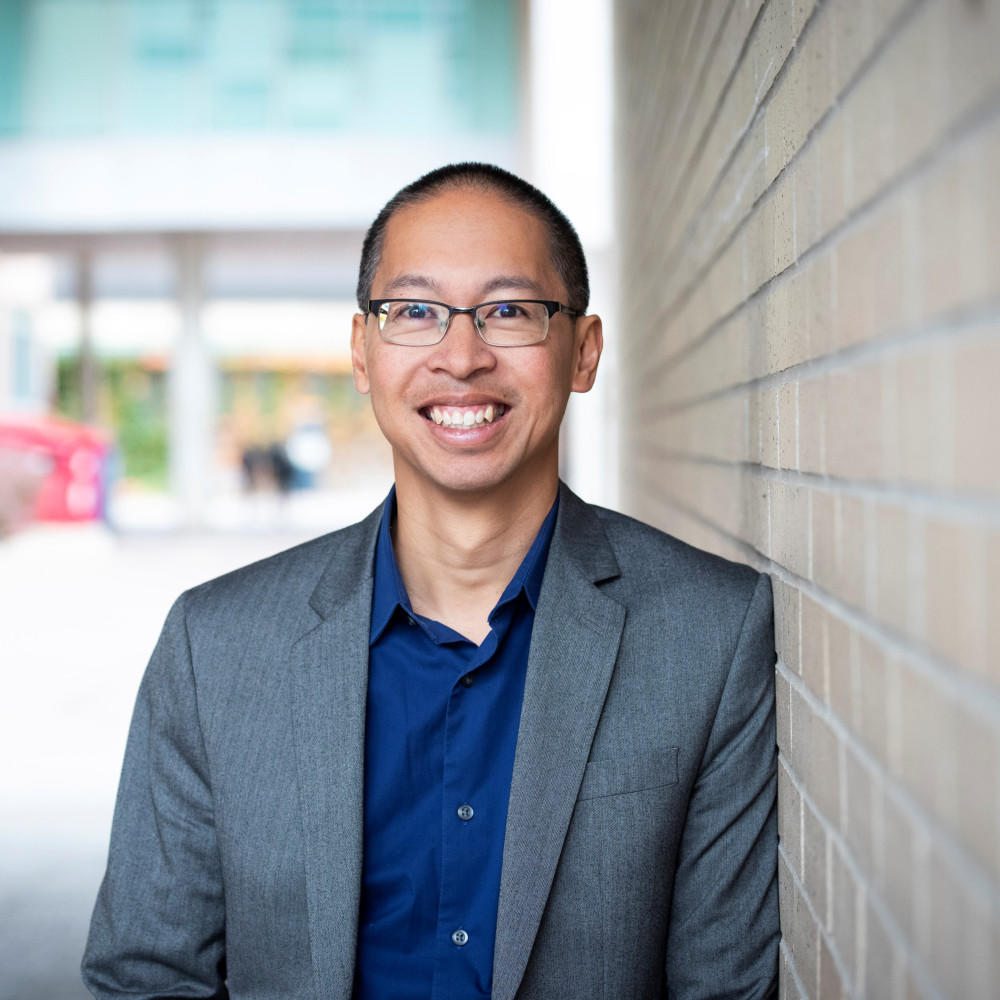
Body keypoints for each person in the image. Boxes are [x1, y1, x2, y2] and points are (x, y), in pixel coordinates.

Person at [82, 163, 779, 1000]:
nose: (461, 356)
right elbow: (147, 978)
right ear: (362, 351)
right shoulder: (217, 644)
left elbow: (725, 990)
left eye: (511, 311)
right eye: (414, 312)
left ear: (583, 352)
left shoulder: (710, 631)